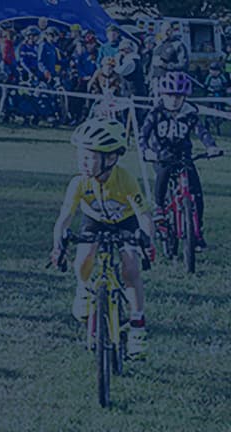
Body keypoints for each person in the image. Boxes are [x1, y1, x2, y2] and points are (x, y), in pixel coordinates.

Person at [49, 118, 155, 360]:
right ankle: (84, 290)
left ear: (110, 159)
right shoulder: (78, 182)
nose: (83, 163)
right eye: (81, 157)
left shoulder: (125, 179)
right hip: (94, 221)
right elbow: (64, 218)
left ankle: (138, 327)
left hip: (126, 222)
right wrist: (57, 247)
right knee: (84, 258)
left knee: (130, 269)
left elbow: (144, 215)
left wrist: (148, 241)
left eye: (90, 158)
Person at [138, 72, 224, 250]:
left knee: (197, 194)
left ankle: (197, 234)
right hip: (161, 153)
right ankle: (159, 206)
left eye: (179, 96)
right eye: (170, 95)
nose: (174, 100)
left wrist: (211, 146)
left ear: (185, 96)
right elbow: (143, 134)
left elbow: (202, 132)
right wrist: (146, 150)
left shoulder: (189, 113)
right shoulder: (156, 112)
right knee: (163, 170)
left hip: (184, 155)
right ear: (162, 94)